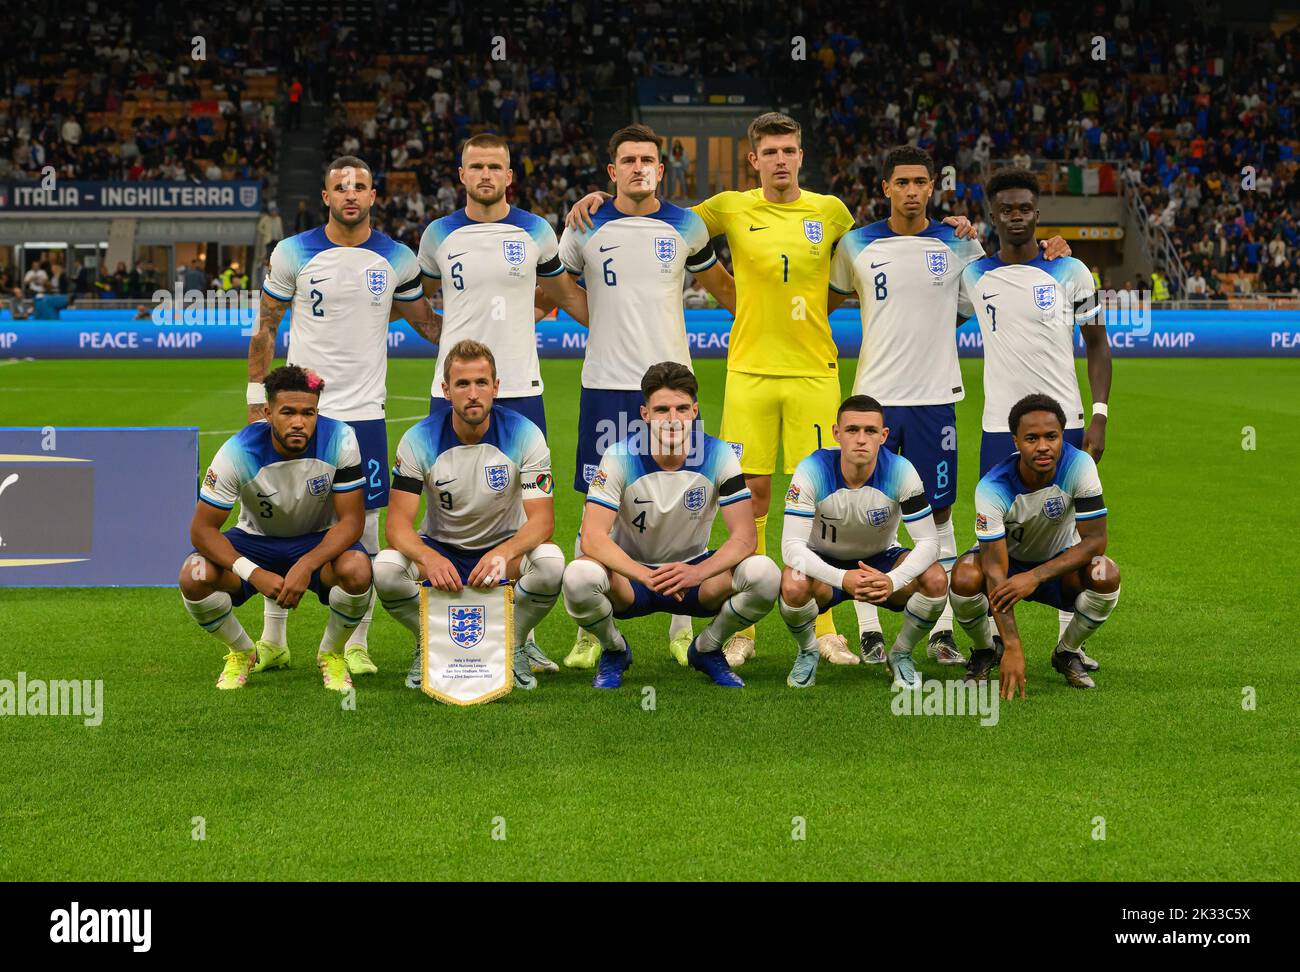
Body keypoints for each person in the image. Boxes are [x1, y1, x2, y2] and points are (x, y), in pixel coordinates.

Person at [829, 146, 1071, 666]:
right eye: (902, 183)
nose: (912, 191)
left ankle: (940, 627)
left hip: (936, 399)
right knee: (868, 511)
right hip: (874, 399)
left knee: (938, 512)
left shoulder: (960, 245)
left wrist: (1056, 250)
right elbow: (824, 298)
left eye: (921, 182)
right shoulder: (855, 244)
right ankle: (869, 627)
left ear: (932, 188)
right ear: (886, 188)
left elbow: (993, 291)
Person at [247, 155, 440, 678]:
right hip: (301, 412)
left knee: (368, 533)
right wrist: (253, 402)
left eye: (360, 186)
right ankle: (273, 640)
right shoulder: (293, 251)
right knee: (283, 520)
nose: (350, 194)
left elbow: (427, 325)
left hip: (364, 417)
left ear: (374, 195)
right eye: (340, 187)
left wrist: (498, 328)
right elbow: (265, 324)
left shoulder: (397, 259)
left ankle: (356, 643)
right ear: (326, 196)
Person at [555, 123, 737, 670]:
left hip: (672, 387)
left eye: (648, 160)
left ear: (662, 169)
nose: (639, 167)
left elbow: (724, 287)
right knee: (599, 507)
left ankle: (683, 627)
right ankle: (595, 631)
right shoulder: (585, 223)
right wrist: (598, 319)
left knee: (685, 501)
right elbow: (557, 284)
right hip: (606, 384)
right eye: (628, 159)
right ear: (612, 171)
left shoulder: (686, 225)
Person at [958, 167, 1111, 659]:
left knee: (1069, 531)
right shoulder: (974, 275)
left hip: (1064, 423)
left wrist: (1101, 414)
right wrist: (956, 236)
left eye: (1025, 208)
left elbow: (1098, 345)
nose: (1016, 216)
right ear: (993, 215)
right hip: (996, 426)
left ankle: (1070, 647)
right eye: (1006, 209)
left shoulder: (1072, 270)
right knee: (992, 539)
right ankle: (999, 644)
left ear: (1037, 213)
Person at [562, 361, 779, 689]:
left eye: (681, 408)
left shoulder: (719, 455)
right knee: (579, 576)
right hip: (631, 580)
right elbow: (592, 538)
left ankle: (707, 647)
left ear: (694, 411)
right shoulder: (619, 456)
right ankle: (614, 649)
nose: (673, 419)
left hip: (693, 578)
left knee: (765, 574)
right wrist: (644, 575)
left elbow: (745, 539)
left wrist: (696, 573)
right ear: (645, 414)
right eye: (662, 409)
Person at [373, 340, 565, 690]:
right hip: (443, 549)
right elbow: (397, 526)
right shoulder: (418, 440)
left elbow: (542, 521)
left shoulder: (526, 434)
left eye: (481, 383)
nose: (473, 393)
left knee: (551, 563)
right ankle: (429, 642)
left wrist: (503, 552)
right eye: (462, 384)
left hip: (503, 553)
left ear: (496, 387)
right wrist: (428, 558)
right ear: (446, 390)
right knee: (385, 569)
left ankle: (513, 643)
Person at [180, 365, 373, 693]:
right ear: (268, 413)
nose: (299, 422)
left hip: (316, 541)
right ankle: (242, 651)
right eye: (288, 412)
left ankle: (331, 654)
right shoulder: (237, 451)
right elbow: (202, 531)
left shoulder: (340, 438)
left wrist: (307, 563)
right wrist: (252, 573)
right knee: (194, 574)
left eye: (308, 413)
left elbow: (352, 521)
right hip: (255, 541)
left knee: (357, 569)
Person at [950, 394, 1120, 695]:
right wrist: (1013, 645)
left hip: (1058, 565)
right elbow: (994, 568)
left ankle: (1067, 651)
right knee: (964, 576)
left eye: (1051, 436)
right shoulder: (992, 487)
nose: (1043, 446)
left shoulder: (1079, 465)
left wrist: (1035, 576)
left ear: (1062, 437)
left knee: (1104, 574)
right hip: (1007, 564)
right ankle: (986, 650)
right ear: (1015, 441)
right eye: (1031, 438)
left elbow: (1096, 541)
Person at [780, 395, 947, 690]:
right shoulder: (812, 469)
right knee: (792, 585)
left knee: (935, 579)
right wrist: (843, 578)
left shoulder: (901, 470)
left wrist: (893, 580)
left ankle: (901, 653)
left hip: (881, 560)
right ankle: (807, 651)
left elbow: (929, 542)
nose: (861, 439)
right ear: (836, 433)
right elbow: (791, 546)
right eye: (852, 430)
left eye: (870, 431)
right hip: (825, 563)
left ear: (884, 436)